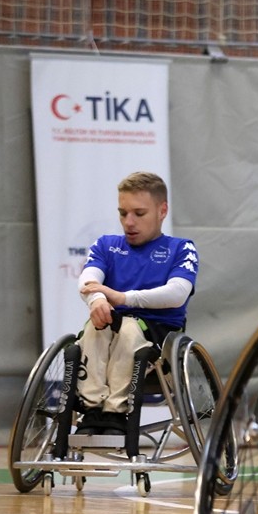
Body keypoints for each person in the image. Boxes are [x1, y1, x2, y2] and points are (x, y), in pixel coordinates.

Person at [61, 171, 198, 445]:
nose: (129, 222)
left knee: (128, 328)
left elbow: (177, 294)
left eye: (139, 213)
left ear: (162, 211)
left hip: (158, 334)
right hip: (112, 323)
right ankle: (92, 409)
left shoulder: (181, 249)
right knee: (95, 327)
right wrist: (97, 300)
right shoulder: (106, 245)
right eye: (123, 213)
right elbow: (89, 280)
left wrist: (122, 298)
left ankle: (115, 411)